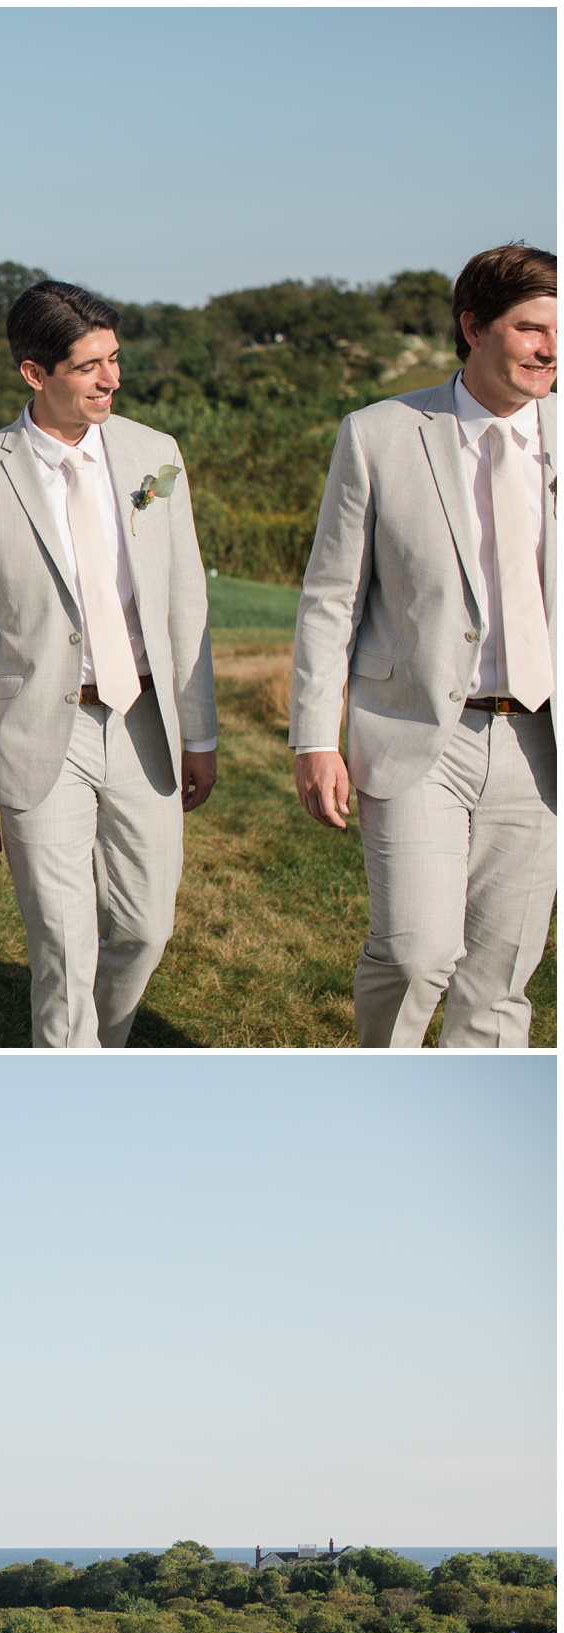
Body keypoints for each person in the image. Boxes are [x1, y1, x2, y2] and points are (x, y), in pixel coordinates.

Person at [0, 281, 217, 1047]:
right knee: (61, 948)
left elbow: (185, 599)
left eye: (114, 360)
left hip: (144, 726)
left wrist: (200, 734)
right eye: (90, 366)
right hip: (34, 739)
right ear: (35, 374)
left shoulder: (155, 456)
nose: (111, 380)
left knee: (143, 930)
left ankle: (104, 1047)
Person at [290, 243, 557, 1047]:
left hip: (541, 741)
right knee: (415, 953)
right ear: (473, 328)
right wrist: (314, 738)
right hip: (413, 730)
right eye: (532, 329)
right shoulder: (378, 435)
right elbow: (331, 598)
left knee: (501, 975)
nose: (552, 349)